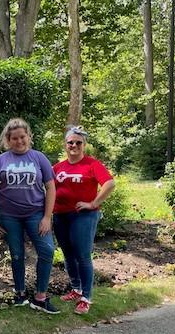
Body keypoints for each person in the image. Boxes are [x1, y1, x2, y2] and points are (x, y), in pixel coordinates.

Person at [0, 118, 59, 314]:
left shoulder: (39, 158)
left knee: (46, 251)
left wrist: (47, 217)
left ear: (29, 137)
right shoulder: (1, 160)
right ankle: (20, 293)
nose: (19, 141)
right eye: (14, 138)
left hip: (36, 214)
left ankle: (40, 297)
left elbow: (51, 188)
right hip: (10, 216)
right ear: (8, 140)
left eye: (22, 137)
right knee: (17, 254)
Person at [52, 126, 115, 315]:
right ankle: (76, 289)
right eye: (70, 142)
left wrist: (93, 203)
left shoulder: (92, 164)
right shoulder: (58, 167)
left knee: (82, 255)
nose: (74, 145)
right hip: (60, 215)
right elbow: (47, 188)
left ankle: (86, 297)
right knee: (68, 254)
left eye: (78, 142)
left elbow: (110, 183)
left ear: (84, 145)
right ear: (65, 145)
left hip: (83, 216)